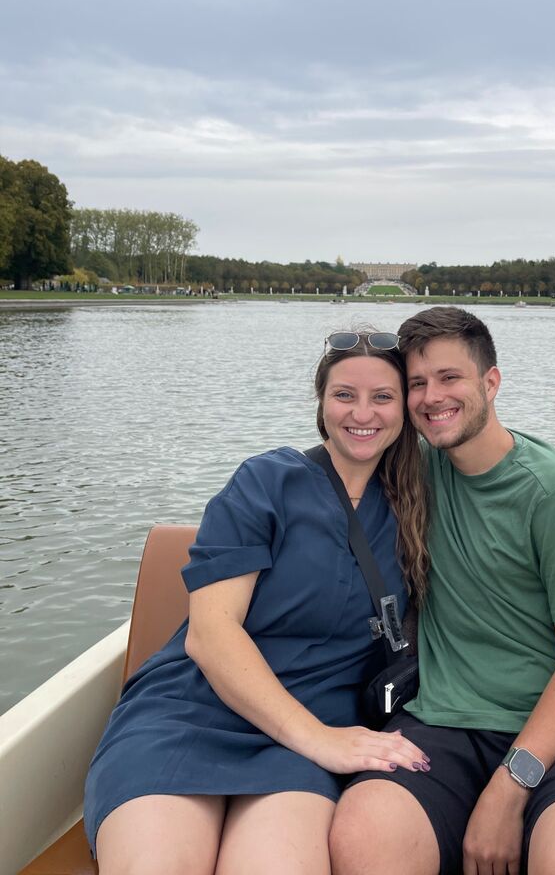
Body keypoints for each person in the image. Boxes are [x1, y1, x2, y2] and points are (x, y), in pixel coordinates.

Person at [84, 329, 431, 875]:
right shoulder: (266, 482)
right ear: (321, 402)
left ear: (405, 410)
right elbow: (211, 632)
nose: (362, 412)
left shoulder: (417, 505)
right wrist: (320, 741)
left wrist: (322, 741)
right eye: (344, 394)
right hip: (191, 711)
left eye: (383, 397)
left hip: (310, 732)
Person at [330, 307, 555, 875]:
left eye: (450, 378)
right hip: (443, 721)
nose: (432, 397)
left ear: (491, 381)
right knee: (365, 832)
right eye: (416, 384)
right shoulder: (415, 473)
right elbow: (347, 440)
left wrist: (510, 789)